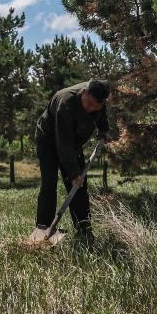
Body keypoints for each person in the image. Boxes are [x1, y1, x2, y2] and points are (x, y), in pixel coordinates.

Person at [33, 78, 111, 237]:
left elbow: (101, 115)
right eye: (87, 103)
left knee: (79, 188)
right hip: (48, 140)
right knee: (49, 182)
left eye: (94, 106)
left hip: (72, 143)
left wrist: (104, 130)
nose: (90, 108)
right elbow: (63, 143)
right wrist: (74, 173)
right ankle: (43, 228)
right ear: (83, 93)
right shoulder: (66, 103)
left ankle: (84, 229)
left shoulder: (98, 102)